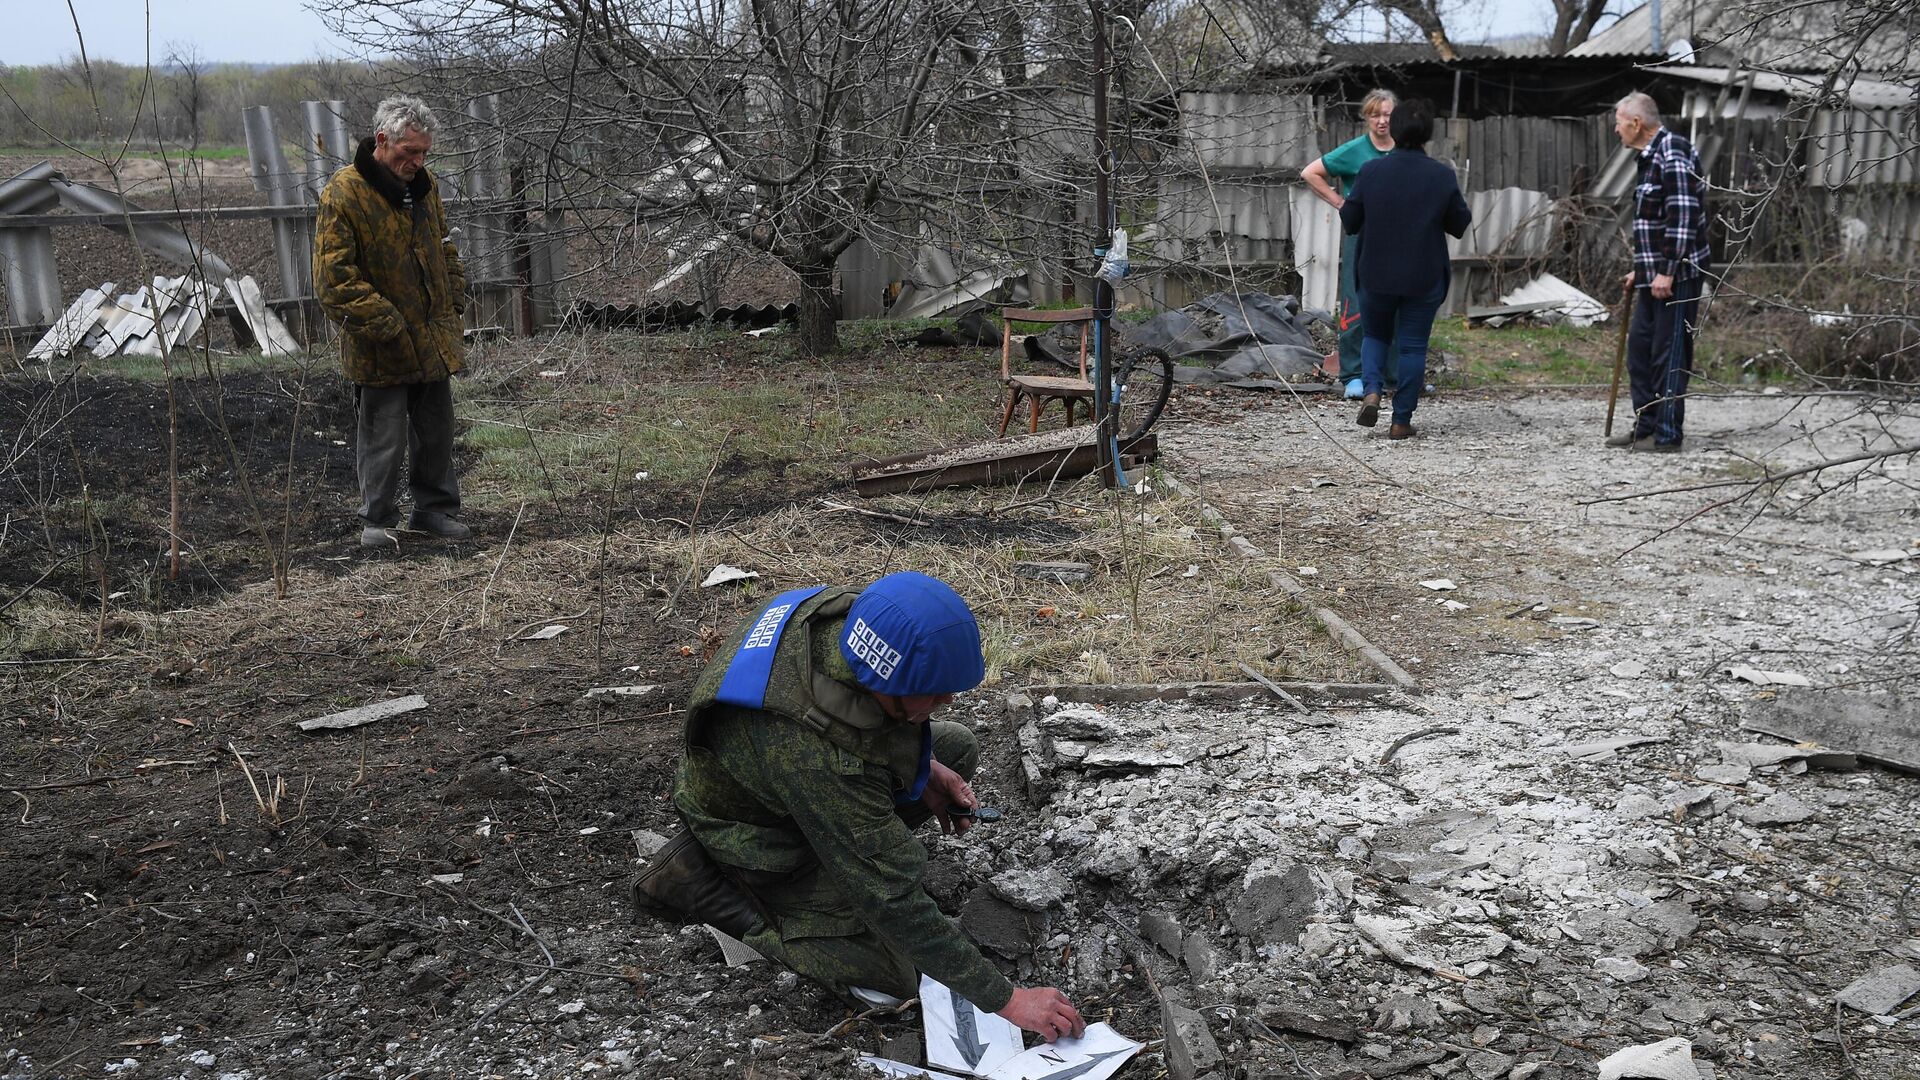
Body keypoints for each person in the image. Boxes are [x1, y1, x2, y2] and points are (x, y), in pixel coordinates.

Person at [633, 572, 1086, 1043]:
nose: (948, 699)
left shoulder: (851, 621)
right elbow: (891, 899)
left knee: (955, 749)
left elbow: (864, 725)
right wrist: (1006, 1000)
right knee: (899, 977)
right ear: (883, 678)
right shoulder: (816, 756)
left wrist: (922, 767)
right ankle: (714, 893)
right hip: (753, 833)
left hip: (776, 780)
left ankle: (842, 858)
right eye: (933, 690)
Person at [315, 95, 473, 548]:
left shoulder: (426, 187)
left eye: (424, 153)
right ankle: (378, 521)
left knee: (437, 433)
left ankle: (434, 512)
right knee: (383, 438)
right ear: (382, 141)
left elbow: (442, 245)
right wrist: (388, 326)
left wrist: (453, 294)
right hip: (380, 345)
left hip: (432, 336)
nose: (418, 162)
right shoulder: (344, 193)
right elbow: (333, 281)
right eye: (410, 152)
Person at [1339, 98, 1471, 440]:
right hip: (1423, 275)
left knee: (1375, 335)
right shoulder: (1442, 175)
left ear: (1393, 130)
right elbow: (1459, 223)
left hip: (1375, 273)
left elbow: (1350, 221)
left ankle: (1371, 391)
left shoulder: (1371, 171)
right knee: (1413, 346)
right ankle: (1401, 421)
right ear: (1427, 134)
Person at [1609, 91, 1710, 453]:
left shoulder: (1674, 151)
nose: (1616, 129)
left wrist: (1667, 270)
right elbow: (1655, 220)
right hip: (1655, 273)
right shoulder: (1649, 156)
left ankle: (1667, 435)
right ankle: (1646, 425)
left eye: (1619, 122)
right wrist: (1642, 270)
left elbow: (1682, 217)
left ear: (1636, 124)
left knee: (1668, 354)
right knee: (1640, 348)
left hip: (1678, 275)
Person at [1301, 89, 1397, 400]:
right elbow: (1310, 173)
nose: (1382, 121)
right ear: (1366, 117)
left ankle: (1394, 374)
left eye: (1387, 115)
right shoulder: (1355, 150)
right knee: (1356, 302)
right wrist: (1340, 202)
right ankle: (1353, 374)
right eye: (1375, 115)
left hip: (1399, 239)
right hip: (1362, 236)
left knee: (1397, 303)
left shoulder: (1406, 150)